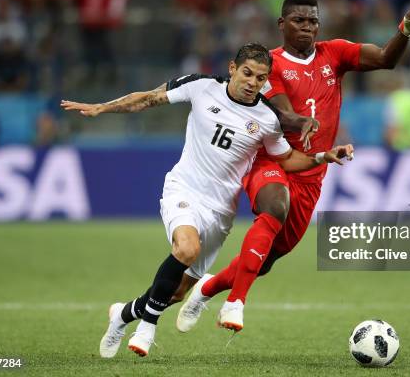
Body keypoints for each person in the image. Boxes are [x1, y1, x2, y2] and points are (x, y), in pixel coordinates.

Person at [61, 42, 353, 358]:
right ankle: (148, 325)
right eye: (247, 73)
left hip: (221, 209)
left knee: (178, 291)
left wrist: (323, 156)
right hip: (184, 189)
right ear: (232, 68)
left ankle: (122, 315)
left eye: (260, 77)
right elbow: (147, 99)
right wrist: (103, 107)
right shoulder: (201, 86)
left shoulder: (267, 117)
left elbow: (287, 159)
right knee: (186, 248)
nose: (252, 83)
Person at [175, 0, 410, 333]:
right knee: (275, 206)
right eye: (299, 21)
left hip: (312, 171)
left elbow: (385, 58)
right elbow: (280, 113)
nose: (307, 27)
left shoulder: (334, 54)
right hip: (273, 160)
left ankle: (207, 289)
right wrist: (302, 123)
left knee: (266, 259)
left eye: (313, 21)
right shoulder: (270, 64)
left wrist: (405, 31)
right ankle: (236, 303)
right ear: (282, 24)